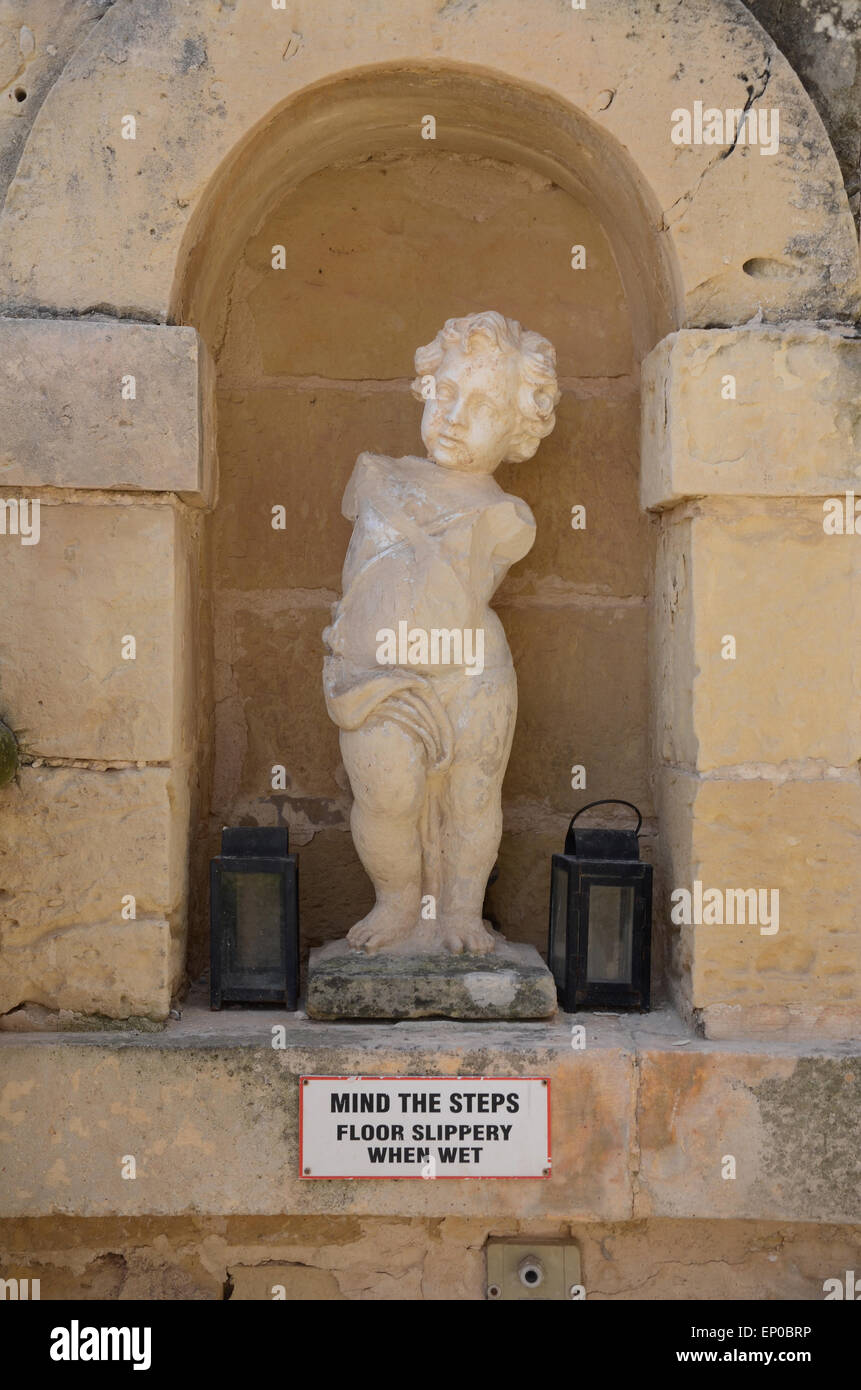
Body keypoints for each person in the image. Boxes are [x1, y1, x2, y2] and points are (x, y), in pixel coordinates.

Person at [322, 311, 559, 953]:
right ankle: (397, 905)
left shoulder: (505, 517)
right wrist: (365, 670)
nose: (454, 415)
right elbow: (360, 589)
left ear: (518, 428)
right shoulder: (381, 481)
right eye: (445, 393)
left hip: (473, 669)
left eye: (481, 404)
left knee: (473, 796)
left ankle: (460, 912)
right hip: (382, 667)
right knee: (387, 790)